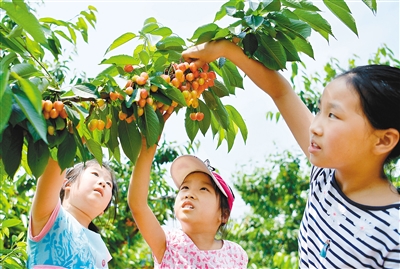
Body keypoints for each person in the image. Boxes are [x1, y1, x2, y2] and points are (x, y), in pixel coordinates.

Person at [182, 40, 400, 268]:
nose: (315, 126)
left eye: (333, 115)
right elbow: (281, 92)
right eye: (319, 110)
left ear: (384, 140)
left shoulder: (394, 231)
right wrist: (225, 50)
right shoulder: (326, 175)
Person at [128, 138, 248, 268]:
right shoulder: (168, 242)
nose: (189, 194)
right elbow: (138, 204)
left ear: (223, 215)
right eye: (185, 187)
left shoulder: (235, 254)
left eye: (203, 189)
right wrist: (148, 146)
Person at [27, 158, 118, 268]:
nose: (103, 183)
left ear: (103, 210)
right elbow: (54, 163)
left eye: (109, 184)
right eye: (95, 174)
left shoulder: (100, 250)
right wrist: (70, 142)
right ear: (67, 183)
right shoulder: (52, 216)